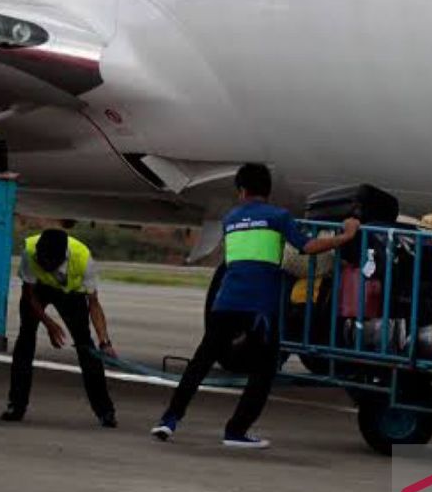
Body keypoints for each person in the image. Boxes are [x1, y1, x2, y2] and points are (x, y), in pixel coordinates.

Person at [150, 163, 361, 449]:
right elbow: (307, 247)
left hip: (225, 302)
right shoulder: (278, 216)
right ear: (267, 190)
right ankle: (236, 431)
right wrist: (345, 236)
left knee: (200, 364)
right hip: (260, 307)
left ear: (241, 191)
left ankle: (169, 419)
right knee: (264, 371)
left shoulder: (230, 219)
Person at [2, 228, 118, 427]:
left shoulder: (83, 258)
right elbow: (29, 295)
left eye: (46, 261)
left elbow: (94, 304)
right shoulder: (30, 252)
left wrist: (104, 342)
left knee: (86, 348)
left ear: (60, 258)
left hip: (70, 295)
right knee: (25, 340)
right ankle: (16, 405)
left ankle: (105, 411)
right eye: (40, 258)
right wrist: (49, 323)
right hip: (38, 291)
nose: (41, 262)